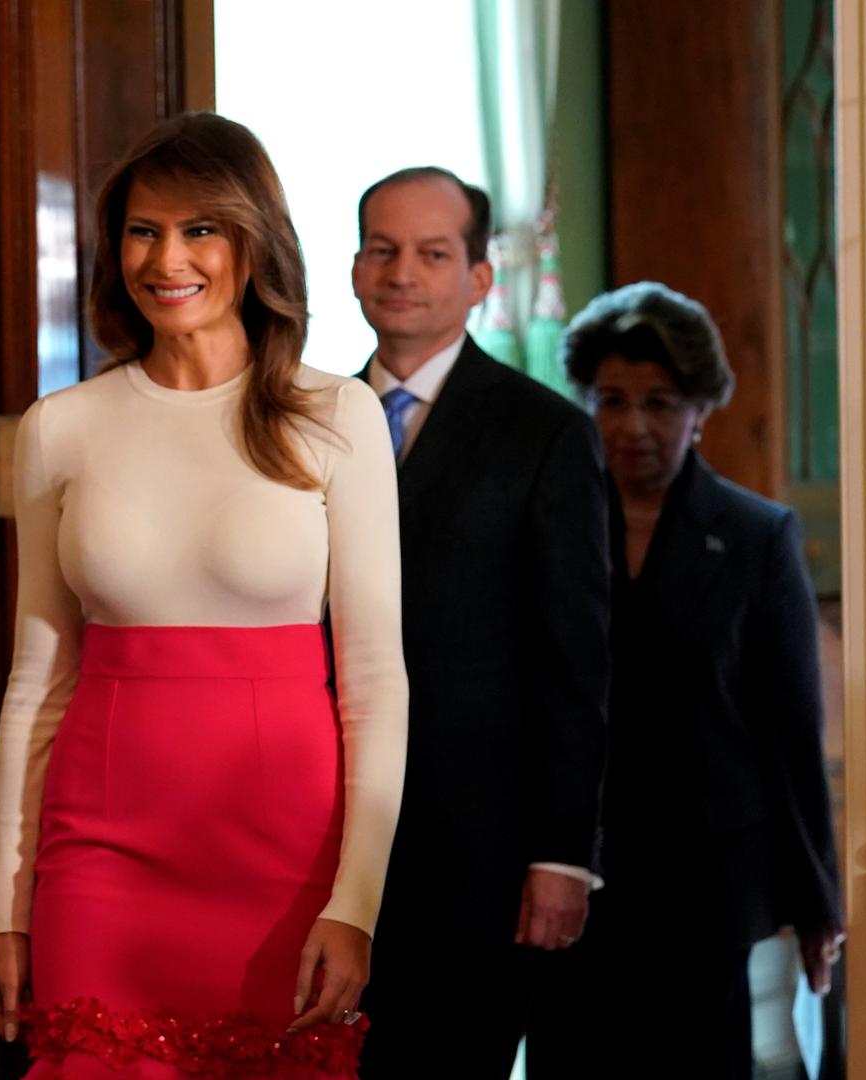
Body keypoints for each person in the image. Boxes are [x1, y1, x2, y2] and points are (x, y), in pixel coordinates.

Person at [0, 113, 408, 1079]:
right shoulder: (59, 427)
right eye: (143, 231)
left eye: (199, 229)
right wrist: (7, 913)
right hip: (99, 858)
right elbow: (37, 686)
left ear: (254, 242)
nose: (166, 259)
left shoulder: (338, 414)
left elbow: (376, 681)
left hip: (288, 859)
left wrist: (358, 904)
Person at [523, 282, 844, 1079]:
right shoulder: (545, 526)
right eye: (612, 401)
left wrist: (816, 904)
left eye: (660, 403)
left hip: (706, 890)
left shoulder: (757, 536)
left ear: (700, 409)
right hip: (575, 875)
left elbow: (790, 731)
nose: (634, 426)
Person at [347, 167, 611, 1078]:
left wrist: (563, 855)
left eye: (431, 253)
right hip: (318, 833)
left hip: (477, 851)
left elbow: (576, 660)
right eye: (381, 250)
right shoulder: (308, 418)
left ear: (479, 277)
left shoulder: (545, 432)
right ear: (353, 268)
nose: (401, 273)